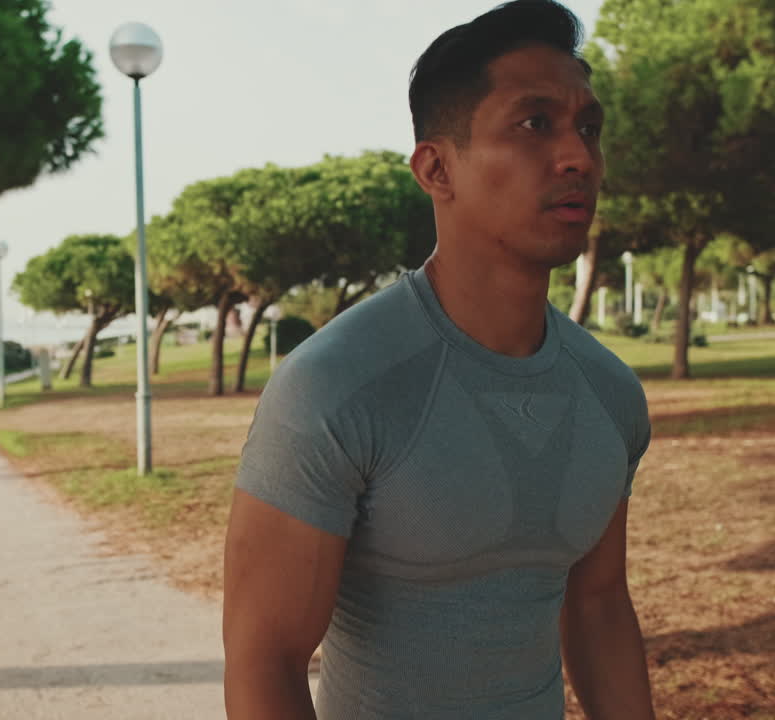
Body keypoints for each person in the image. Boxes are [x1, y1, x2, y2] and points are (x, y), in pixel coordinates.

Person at [222, 1, 654, 718]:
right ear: (436, 168)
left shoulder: (611, 394)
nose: (578, 156)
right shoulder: (335, 385)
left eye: (588, 128)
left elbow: (599, 606)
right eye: (534, 123)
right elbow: (265, 659)